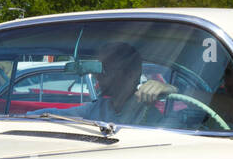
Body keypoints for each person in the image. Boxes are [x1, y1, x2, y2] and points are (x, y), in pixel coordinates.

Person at [45, 41, 173, 125]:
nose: (97, 75)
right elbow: (54, 114)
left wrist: (170, 89)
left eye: (104, 69)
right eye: (98, 69)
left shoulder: (148, 111)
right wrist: (26, 115)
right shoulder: (98, 108)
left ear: (130, 73)